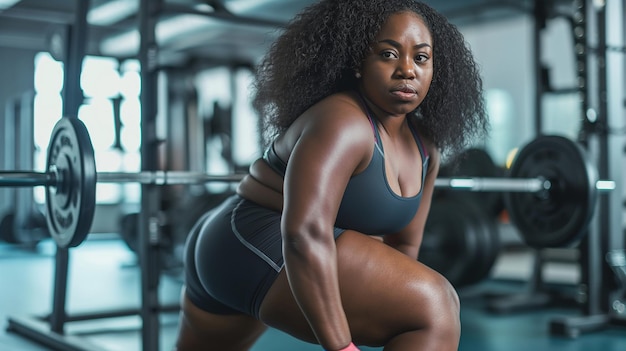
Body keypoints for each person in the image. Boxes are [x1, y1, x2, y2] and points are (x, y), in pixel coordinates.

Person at [175, 0, 488, 350]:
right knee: (436, 305)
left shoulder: (425, 148)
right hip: (249, 240)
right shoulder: (343, 122)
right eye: (388, 54)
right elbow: (304, 233)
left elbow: (404, 248)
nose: (407, 70)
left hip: (258, 247)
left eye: (421, 58)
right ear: (358, 62)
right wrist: (341, 346)